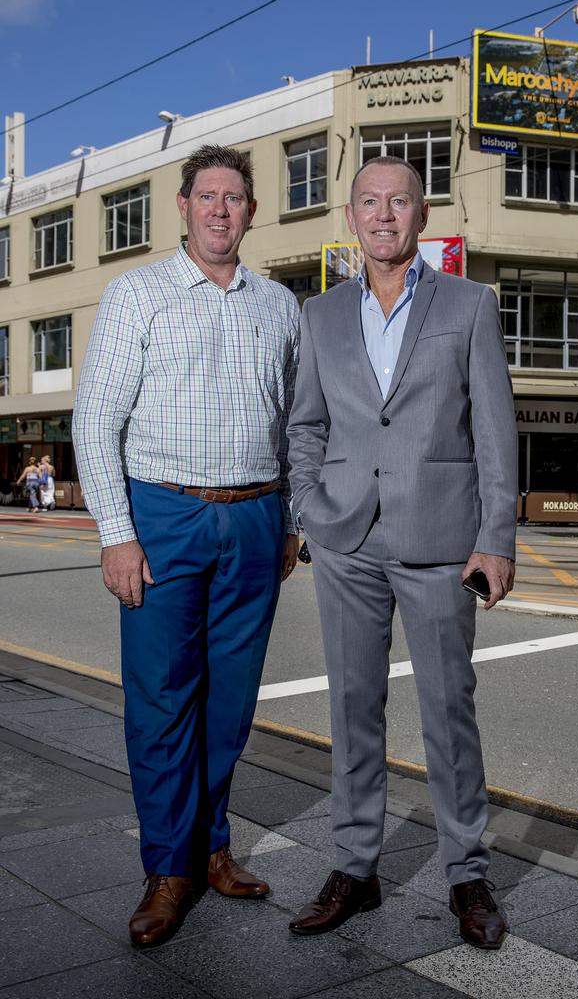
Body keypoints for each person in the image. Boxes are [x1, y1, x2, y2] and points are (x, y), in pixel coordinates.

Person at [287, 157, 517, 950]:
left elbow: (492, 430)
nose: (384, 215)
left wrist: (496, 538)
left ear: (423, 215)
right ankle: (356, 868)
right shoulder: (317, 315)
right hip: (346, 540)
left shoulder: (470, 303)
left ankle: (467, 874)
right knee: (352, 710)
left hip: (441, 544)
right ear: (350, 216)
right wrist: (309, 508)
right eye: (369, 202)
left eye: (399, 202)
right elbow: (305, 425)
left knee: (449, 711)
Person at [73, 144, 300, 948]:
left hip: (255, 518)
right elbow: (95, 421)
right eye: (206, 196)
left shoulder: (280, 306)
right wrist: (117, 534)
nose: (220, 210)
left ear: (251, 211)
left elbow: (297, 429)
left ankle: (210, 847)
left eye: (234, 198)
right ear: (183, 206)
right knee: (164, 702)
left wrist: (291, 524)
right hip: (164, 516)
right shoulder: (136, 295)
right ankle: (169, 866)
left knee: (229, 704)